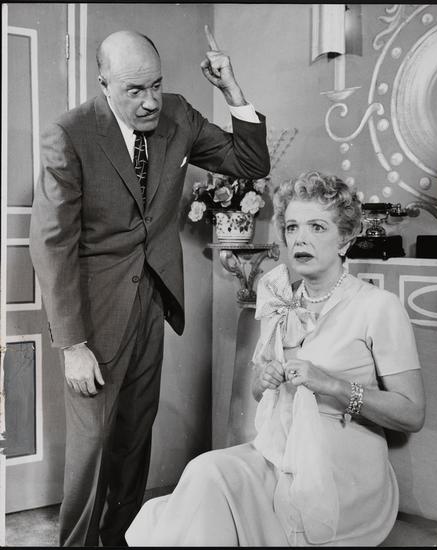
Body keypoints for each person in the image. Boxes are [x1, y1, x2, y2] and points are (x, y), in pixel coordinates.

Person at [29, 26, 270, 547]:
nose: (150, 101)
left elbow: (251, 164)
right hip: (92, 312)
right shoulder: (70, 133)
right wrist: (72, 345)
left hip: (152, 300)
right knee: (92, 446)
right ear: (104, 84)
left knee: (136, 436)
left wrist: (232, 90)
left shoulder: (178, 115)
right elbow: (51, 244)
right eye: (134, 90)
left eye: (156, 85)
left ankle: (120, 538)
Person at [125, 170, 426, 547]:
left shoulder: (378, 306)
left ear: (346, 239)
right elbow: (257, 391)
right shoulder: (280, 296)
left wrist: (332, 385)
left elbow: (412, 413)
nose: (300, 238)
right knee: (205, 470)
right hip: (280, 452)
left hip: (342, 468)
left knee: (208, 491)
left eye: (317, 227)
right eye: (293, 227)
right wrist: (264, 378)